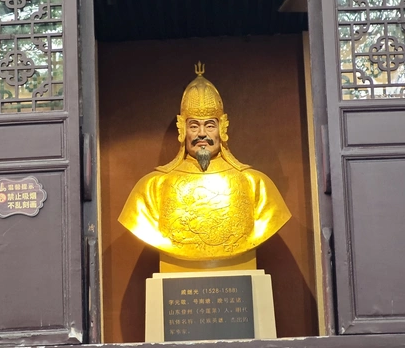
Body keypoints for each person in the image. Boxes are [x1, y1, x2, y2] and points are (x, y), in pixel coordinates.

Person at [118, 63, 291, 262]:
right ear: (182, 129)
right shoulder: (151, 188)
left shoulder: (256, 185)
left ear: (222, 128)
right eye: (194, 126)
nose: (202, 134)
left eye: (209, 125)